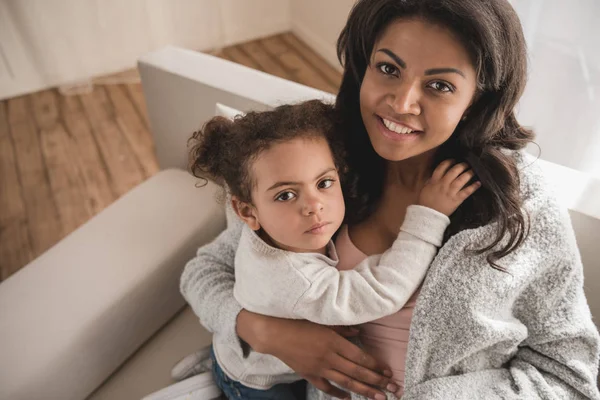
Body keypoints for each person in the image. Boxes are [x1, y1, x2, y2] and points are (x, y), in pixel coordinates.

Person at [181, 0, 600, 399]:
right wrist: (264, 332)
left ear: (477, 100)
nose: (402, 104)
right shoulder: (314, 163)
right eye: (388, 69)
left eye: (439, 85)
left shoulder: (519, 202)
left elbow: (569, 372)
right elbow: (206, 272)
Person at [187, 99, 480, 399]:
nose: (314, 206)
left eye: (324, 182)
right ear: (247, 212)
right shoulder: (296, 280)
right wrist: (427, 216)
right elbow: (380, 291)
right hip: (260, 382)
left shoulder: (276, 227)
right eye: (286, 195)